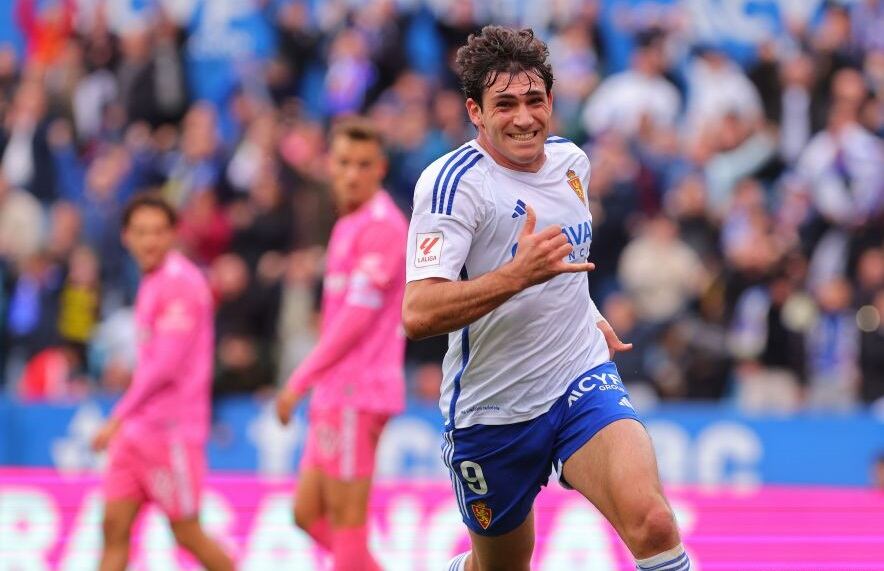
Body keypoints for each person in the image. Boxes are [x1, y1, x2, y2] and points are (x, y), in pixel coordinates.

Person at [402, 26, 690, 571]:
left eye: (535, 100)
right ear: (475, 112)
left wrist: (589, 311)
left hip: (578, 376)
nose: (524, 117)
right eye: (504, 104)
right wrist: (517, 276)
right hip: (493, 410)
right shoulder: (452, 185)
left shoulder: (572, 163)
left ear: (552, 102)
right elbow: (418, 313)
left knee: (652, 521)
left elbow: (563, 265)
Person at [275, 118, 408, 570]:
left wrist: (300, 377)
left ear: (381, 168)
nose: (352, 173)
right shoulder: (347, 224)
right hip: (335, 391)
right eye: (344, 163)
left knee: (348, 523)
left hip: (359, 392)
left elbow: (355, 320)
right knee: (306, 513)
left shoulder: (384, 226)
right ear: (330, 164)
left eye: (363, 164)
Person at [91, 194, 234, 571]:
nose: (149, 241)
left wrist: (116, 417)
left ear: (173, 234)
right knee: (113, 527)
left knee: (187, 533)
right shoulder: (152, 280)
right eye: (140, 232)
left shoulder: (182, 283)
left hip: (170, 431)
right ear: (126, 236)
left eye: (157, 232)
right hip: (138, 431)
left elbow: (164, 367)